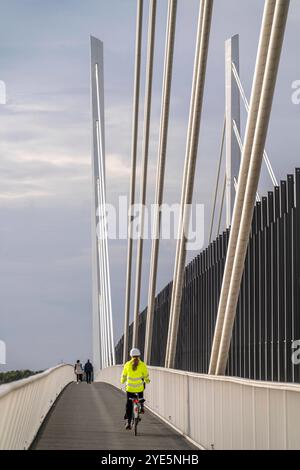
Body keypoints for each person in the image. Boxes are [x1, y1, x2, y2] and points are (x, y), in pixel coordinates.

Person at [120, 348, 150, 430]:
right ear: (139, 355)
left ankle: (129, 423)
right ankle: (141, 406)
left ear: (131, 356)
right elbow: (146, 376)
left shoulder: (127, 364)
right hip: (139, 389)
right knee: (142, 387)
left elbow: (124, 376)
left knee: (128, 405)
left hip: (130, 389)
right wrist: (147, 380)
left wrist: (122, 381)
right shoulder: (143, 365)